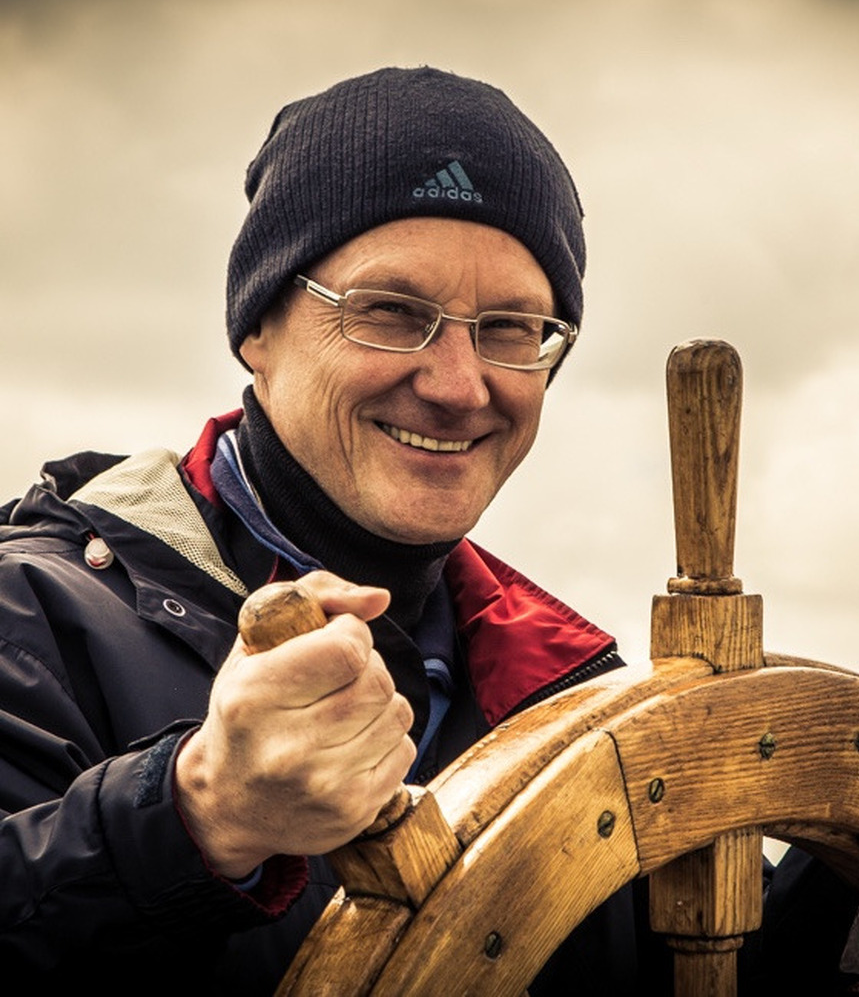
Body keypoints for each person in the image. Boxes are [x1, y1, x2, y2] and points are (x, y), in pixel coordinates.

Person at [0, 66, 662, 994]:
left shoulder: (572, 691)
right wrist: (197, 815)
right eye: (391, 312)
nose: (458, 385)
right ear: (256, 329)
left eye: (511, 327)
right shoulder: (29, 620)